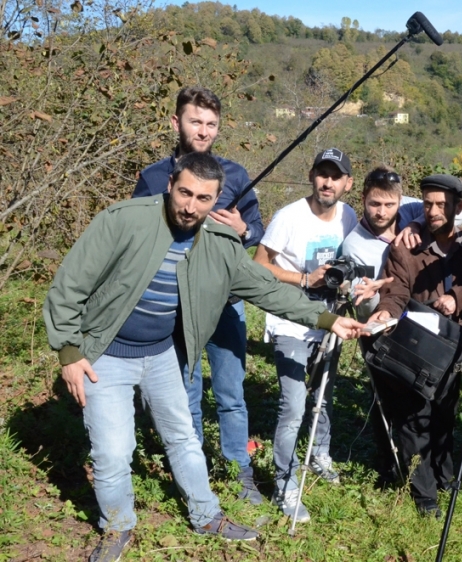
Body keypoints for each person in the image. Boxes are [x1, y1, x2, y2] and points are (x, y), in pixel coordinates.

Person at [43, 152, 362, 562]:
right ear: (171, 184)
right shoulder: (122, 221)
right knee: (113, 451)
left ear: (217, 201)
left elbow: (267, 289)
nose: (191, 206)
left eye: (204, 199)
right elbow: (68, 287)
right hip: (105, 356)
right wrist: (69, 352)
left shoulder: (218, 243)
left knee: (184, 438)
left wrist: (325, 317)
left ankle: (206, 514)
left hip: (161, 355)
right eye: (184, 193)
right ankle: (117, 526)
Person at [132, 86, 265, 503]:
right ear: (177, 123)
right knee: (185, 394)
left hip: (225, 301)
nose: (203, 131)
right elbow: (134, 236)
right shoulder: (153, 177)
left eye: (211, 124)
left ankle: (238, 470)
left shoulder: (236, 176)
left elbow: (258, 231)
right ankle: (193, 474)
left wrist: (245, 231)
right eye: (195, 121)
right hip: (173, 305)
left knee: (231, 393)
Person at [368, 174, 462, 517]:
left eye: (442, 205)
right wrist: (384, 313)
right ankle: (425, 497)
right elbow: (395, 291)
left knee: (443, 415)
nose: (434, 211)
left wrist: (457, 299)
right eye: (428, 203)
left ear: (459, 207)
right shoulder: (405, 246)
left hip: (454, 349)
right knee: (414, 420)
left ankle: (446, 477)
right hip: (416, 348)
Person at [252, 148, 358, 523]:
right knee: (293, 406)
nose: (327, 182)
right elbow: (259, 265)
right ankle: (285, 484)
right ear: (311, 176)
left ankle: (319, 455)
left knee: (324, 395)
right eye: (321, 173)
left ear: (347, 183)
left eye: (336, 176)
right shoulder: (289, 217)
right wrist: (302, 279)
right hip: (290, 324)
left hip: (329, 322)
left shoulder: (349, 216)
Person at [339, 165, 417, 483]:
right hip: (378, 328)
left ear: (400, 200)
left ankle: (423, 463)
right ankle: (388, 466)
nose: (382, 211)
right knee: (385, 399)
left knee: (419, 398)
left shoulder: (414, 210)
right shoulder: (354, 244)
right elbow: (360, 296)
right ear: (363, 199)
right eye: (374, 204)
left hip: (417, 321)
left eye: (389, 204)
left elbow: (452, 216)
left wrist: (420, 225)